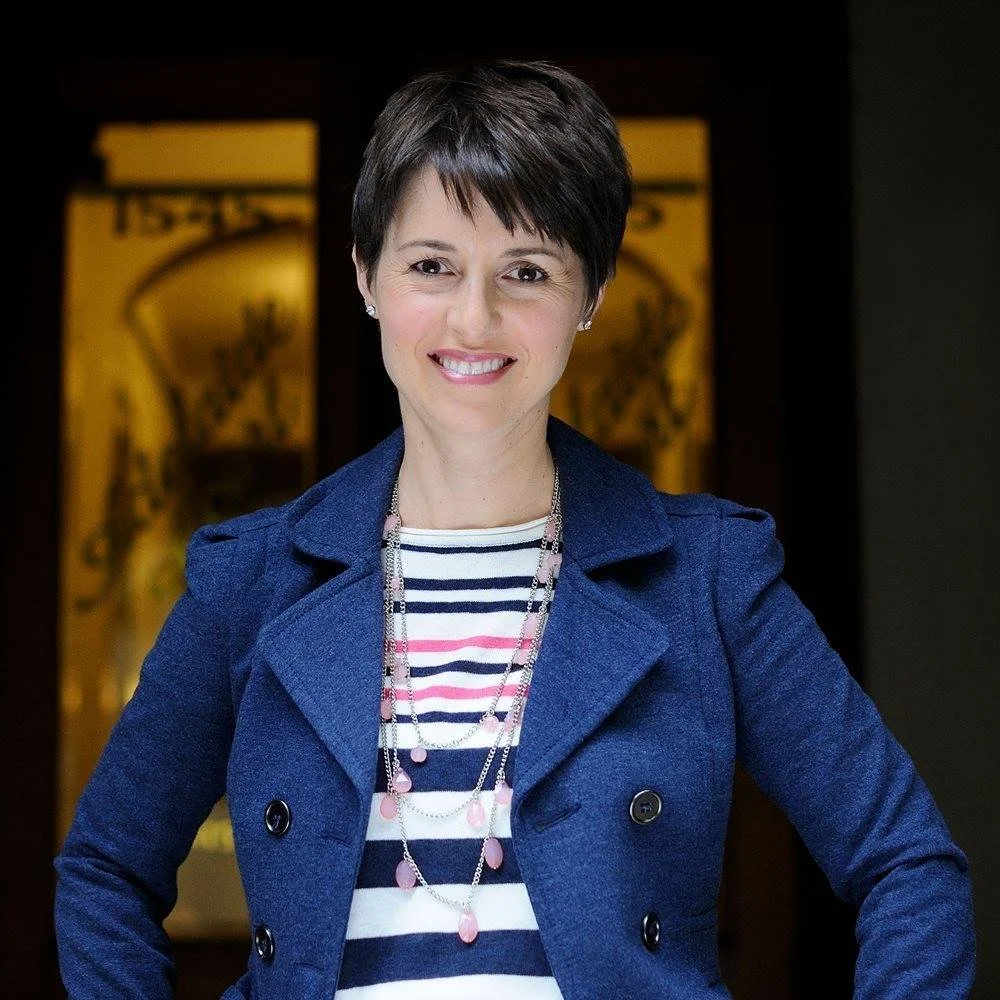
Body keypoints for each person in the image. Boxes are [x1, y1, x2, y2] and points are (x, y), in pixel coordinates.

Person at [54, 59, 975, 999]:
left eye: (526, 270)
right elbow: (103, 874)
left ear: (593, 293)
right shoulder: (251, 580)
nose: (473, 317)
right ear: (366, 276)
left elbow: (908, 867)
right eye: (431, 265)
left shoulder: (709, 578)